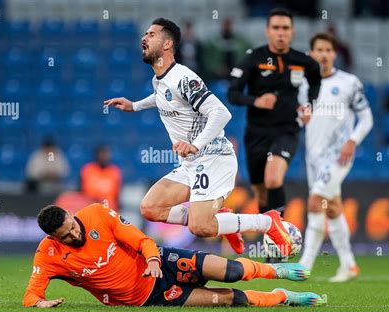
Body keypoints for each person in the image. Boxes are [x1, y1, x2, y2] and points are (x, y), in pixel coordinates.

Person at [104, 18, 293, 257]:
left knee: (200, 227)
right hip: (192, 163)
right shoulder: (160, 79)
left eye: (151, 34)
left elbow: (220, 113)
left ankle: (267, 222)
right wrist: (135, 105)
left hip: (214, 158)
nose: (144, 37)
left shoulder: (184, 78)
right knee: (150, 208)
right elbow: (162, 96)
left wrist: (195, 144)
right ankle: (222, 219)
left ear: (167, 44)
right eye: (145, 33)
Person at [22, 203, 324, 308]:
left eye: (73, 227)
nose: (75, 235)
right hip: (149, 297)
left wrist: (153, 259)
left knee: (232, 271)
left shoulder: (97, 214)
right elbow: (31, 295)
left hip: (162, 260)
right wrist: (40, 303)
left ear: (73, 216)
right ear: (53, 238)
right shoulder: (48, 255)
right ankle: (282, 296)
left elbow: (141, 240)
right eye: (67, 237)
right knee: (231, 299)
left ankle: (277, 271)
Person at [227, 8, 322, 218]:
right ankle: (270, 238)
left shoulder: (302, 61)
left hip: (286, 130)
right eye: (276, 28)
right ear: (267, 31)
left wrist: (310, 105)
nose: (281, 33)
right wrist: (256, 101)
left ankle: (281, 241)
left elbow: (316, 79)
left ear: (292, 32)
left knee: (273, 180)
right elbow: (232, 93)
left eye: (285, 28)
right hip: (257, 133)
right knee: (261, 193)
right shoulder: (253, 58)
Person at [298, 33, 373, 282]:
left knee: (315, 201)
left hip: (338, 155)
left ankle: (304, 265)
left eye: (328, 50)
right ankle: (349, 264)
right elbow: (302, 118)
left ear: (334, 53)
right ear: (311, 54)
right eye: (319, 49)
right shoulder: (305, 84)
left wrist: (352, 141)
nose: (324, 54)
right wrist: (302, 117)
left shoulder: (349, 82)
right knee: (332, 208)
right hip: (313, 156)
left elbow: (367, 118)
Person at [80, 145, 122, 211]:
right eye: (102, 154)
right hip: (89, 208)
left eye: (106, 154)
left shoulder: (115, 171)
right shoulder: (87, 170)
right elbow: (82, 191)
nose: (104, 157)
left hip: (109, 209)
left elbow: (117, 196)